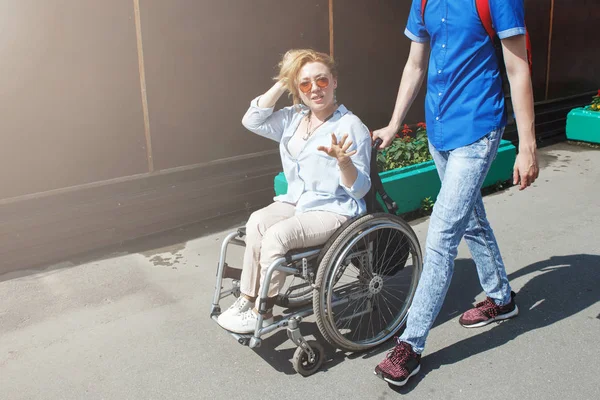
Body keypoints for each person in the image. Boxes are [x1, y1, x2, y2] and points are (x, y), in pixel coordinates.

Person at [372, 0, 540, 386]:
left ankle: (409, 346)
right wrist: (395, 123)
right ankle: (501, 298)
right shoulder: (424, 1)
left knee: (442, 234)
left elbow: (517, 68)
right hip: (438, 128)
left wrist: (528, 145)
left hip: (478, 127)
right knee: (471, 219)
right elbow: (415, 64)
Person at [217, 49, 373, 334]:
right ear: (298, 89)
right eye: (305, 84)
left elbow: (360, 189)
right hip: (298, 200)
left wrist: (344, 161)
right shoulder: (294, 117)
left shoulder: (351, 126)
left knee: (277, 235)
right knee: (257, 222)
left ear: (334, 81)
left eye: (322, 81)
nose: (315, 89)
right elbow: (252, 120)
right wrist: (284, 79)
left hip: (333, 208)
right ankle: (248, 297)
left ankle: (262, 308)